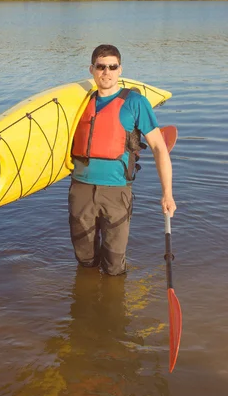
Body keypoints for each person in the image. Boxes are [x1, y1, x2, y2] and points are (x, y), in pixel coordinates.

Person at [68, 44, 176, 276]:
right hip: (81, 189)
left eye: (112, 67)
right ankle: (87, 305)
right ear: (92, 69)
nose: (106, 72)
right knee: (84, 260)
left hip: (117, 192)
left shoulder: (135, 103)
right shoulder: (78, 103)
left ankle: (112, 307)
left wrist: (167, 193)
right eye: (100, 66)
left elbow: (159, 147)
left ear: (120, 70)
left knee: (114, 265)